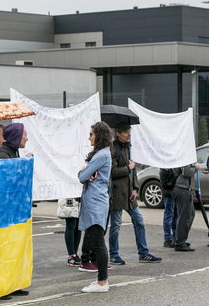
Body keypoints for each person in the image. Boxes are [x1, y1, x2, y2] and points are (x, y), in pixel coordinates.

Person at [107, 123, 162, 265]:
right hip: (118, 193)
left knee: (139, 221)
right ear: (118, 133)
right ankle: (114, 255)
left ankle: (143, 253)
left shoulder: (128, 147)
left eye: (129, 131)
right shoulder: (113, 149)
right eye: (126, 132)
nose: (129, 134)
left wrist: (136, 189)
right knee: (116, 225)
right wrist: (128, 168)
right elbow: (112, 172)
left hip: (130, 194)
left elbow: (133, 172)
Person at [0, 122, 31, 297]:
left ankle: (12, 284)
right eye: (24, 135)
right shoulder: (3, 155)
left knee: (12, 249)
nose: (27, 138)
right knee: (2, 250)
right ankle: (0, 287)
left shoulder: (12, 153)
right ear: (16, 137)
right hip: (3, 212)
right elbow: (1, 183)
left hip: (12, 212)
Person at [77, 121, 113, 293]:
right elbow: (85, 175)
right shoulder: (103, 153)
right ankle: (101, 280)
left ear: (99, 135)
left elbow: (82, 175)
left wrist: (84, 173)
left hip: (95, 202)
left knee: (98, 242)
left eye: (91, 134)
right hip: (97, 200)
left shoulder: (101, 155)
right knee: (96, 241)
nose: (89, 137)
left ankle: (102, 282)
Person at [169, 163, 205, 251]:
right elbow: (187, 172)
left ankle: (180, 239)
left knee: (190, 214)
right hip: (183, 189)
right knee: (184, 217)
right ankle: (180, 242)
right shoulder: (185, 155)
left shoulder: (182, 154)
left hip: (181, 189)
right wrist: (196, 167)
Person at [56, 198, 82, 266]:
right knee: (71, 225)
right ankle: (71, 254)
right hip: (69, 197)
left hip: (78, 198)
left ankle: (74, 253)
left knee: (78, 227)